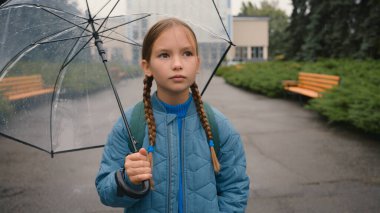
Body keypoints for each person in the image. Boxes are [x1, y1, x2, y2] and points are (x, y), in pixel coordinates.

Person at [95, 17, 250, 212]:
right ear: (147, 66)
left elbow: (235, 189)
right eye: (164, 55)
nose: (177, 64)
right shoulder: (129, 125)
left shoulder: (219, 126)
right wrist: (127, 179)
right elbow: (105, 191)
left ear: (198, 63)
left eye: (187, 53)